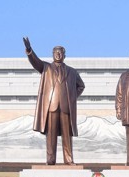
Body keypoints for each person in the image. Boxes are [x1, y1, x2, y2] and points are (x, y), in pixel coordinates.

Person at [23, 37, 85, 165]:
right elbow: (35, 62)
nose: (58, 54)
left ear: (64, 55)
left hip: (66, 107)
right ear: (52, 54)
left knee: (67, 135)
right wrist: (29, 50)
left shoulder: (72, 72)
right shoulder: (46, 68)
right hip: (51, 106)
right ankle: (50, 160)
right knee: (50, 135)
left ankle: (68, 160)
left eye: (60, 52)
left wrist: (72, 98)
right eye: (55, 52)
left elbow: (81, 86)